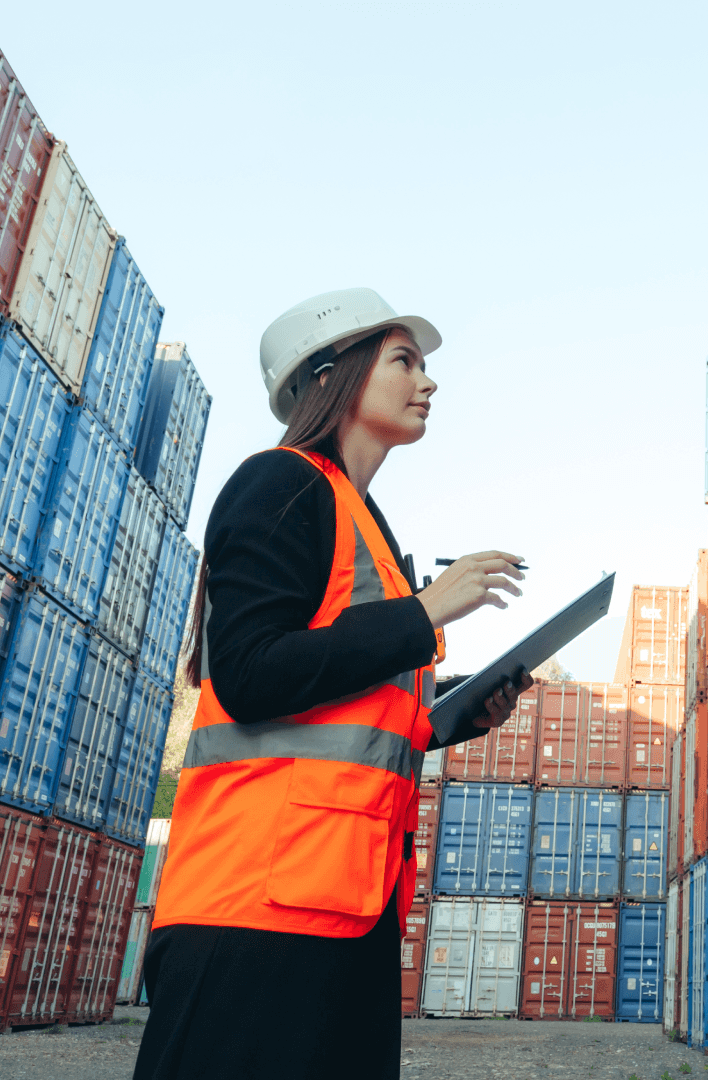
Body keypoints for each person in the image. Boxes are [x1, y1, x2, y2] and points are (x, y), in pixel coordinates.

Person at [133, 288, 533, 1080]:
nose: (429, 381)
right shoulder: (278, 484)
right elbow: (248, 675)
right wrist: (423, 613)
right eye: (404, 361)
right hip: (250, 908)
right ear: (333, 375)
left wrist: (458, 711)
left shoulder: (367, 523)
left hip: (343, 902)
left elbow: (355, 702)